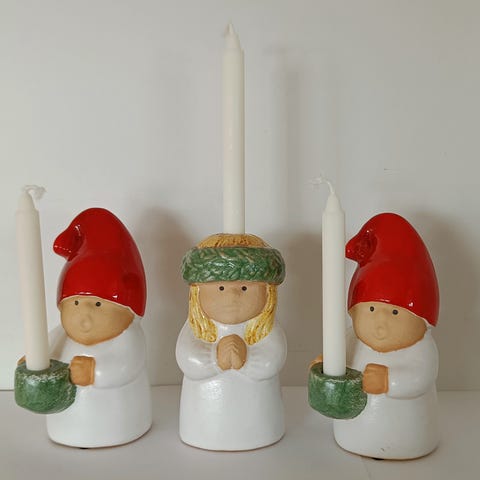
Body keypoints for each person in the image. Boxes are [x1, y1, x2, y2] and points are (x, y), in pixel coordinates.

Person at [333, 213, 440, 459]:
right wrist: (328, 365)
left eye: (394, 312)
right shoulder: (351, 338)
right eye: (371, 309)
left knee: (407, 435)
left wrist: (389, 381)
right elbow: (339, 357)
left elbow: (421, 377)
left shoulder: (421, 349)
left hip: (411, 430)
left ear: (422, 320)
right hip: (354, 429)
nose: (380, 323)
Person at [46, 208, 151, 448]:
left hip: (120, 421)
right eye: (74, 303)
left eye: (97, 304)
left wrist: (95, 372)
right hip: (65, 423)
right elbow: (47, 349)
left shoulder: (128, 337)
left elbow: (127, 366)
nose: (84, 316)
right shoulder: (62, 335)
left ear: (128, 311)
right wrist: (36, 360)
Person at [176, 233, 286, 450]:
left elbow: (273, 359)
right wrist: (213, 359)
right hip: (203, 417)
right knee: (205, 425)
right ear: (197, 292)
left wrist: (249, 358)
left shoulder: (267, 330)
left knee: (257, 423)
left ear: (268, 293)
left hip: (259, 417)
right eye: (221, 288)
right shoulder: (195, 329)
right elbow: (186, 358)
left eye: (244, 288)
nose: (232, 296)